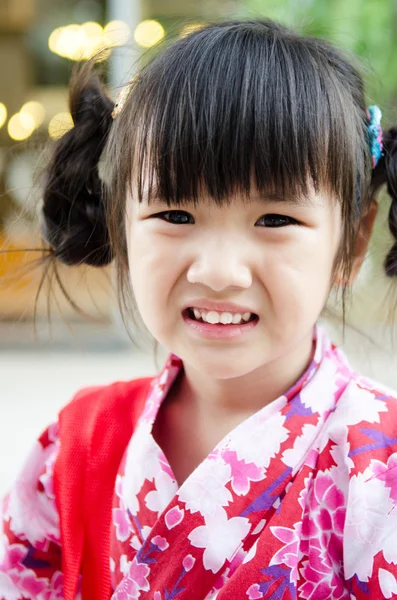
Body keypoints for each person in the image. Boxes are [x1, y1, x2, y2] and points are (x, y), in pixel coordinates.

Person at [1, 17, 397, 600]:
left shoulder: (380, 469)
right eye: (175, 215)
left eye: (275, 220)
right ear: (122, 224)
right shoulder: (73, 448)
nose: (217, 271)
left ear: (352, 241)